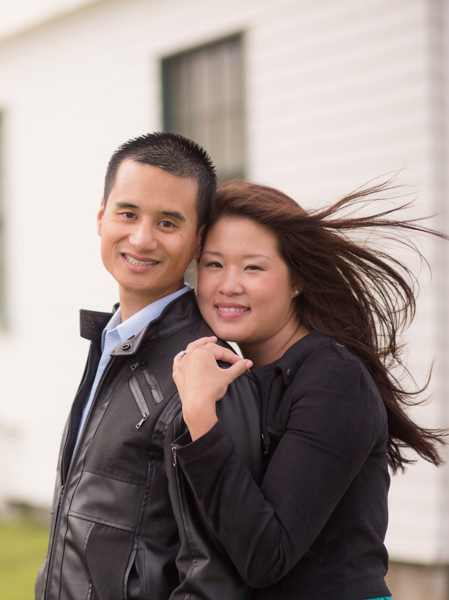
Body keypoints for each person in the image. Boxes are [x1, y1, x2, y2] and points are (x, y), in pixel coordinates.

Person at [171, 179, 447, 599]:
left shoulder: (333, 380)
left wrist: (200, 419)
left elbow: (267, 556)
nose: (228, 284)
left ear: (297, 280)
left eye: (253, 267)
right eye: (213, 264)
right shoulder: (236, 376)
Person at [35, 132, 263, 600]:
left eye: (167, 223)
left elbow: (215, 578)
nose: (141, 238)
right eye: (127, 214)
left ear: (199, 241)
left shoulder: (208, 373)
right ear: (100, 217)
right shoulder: (112, 344)